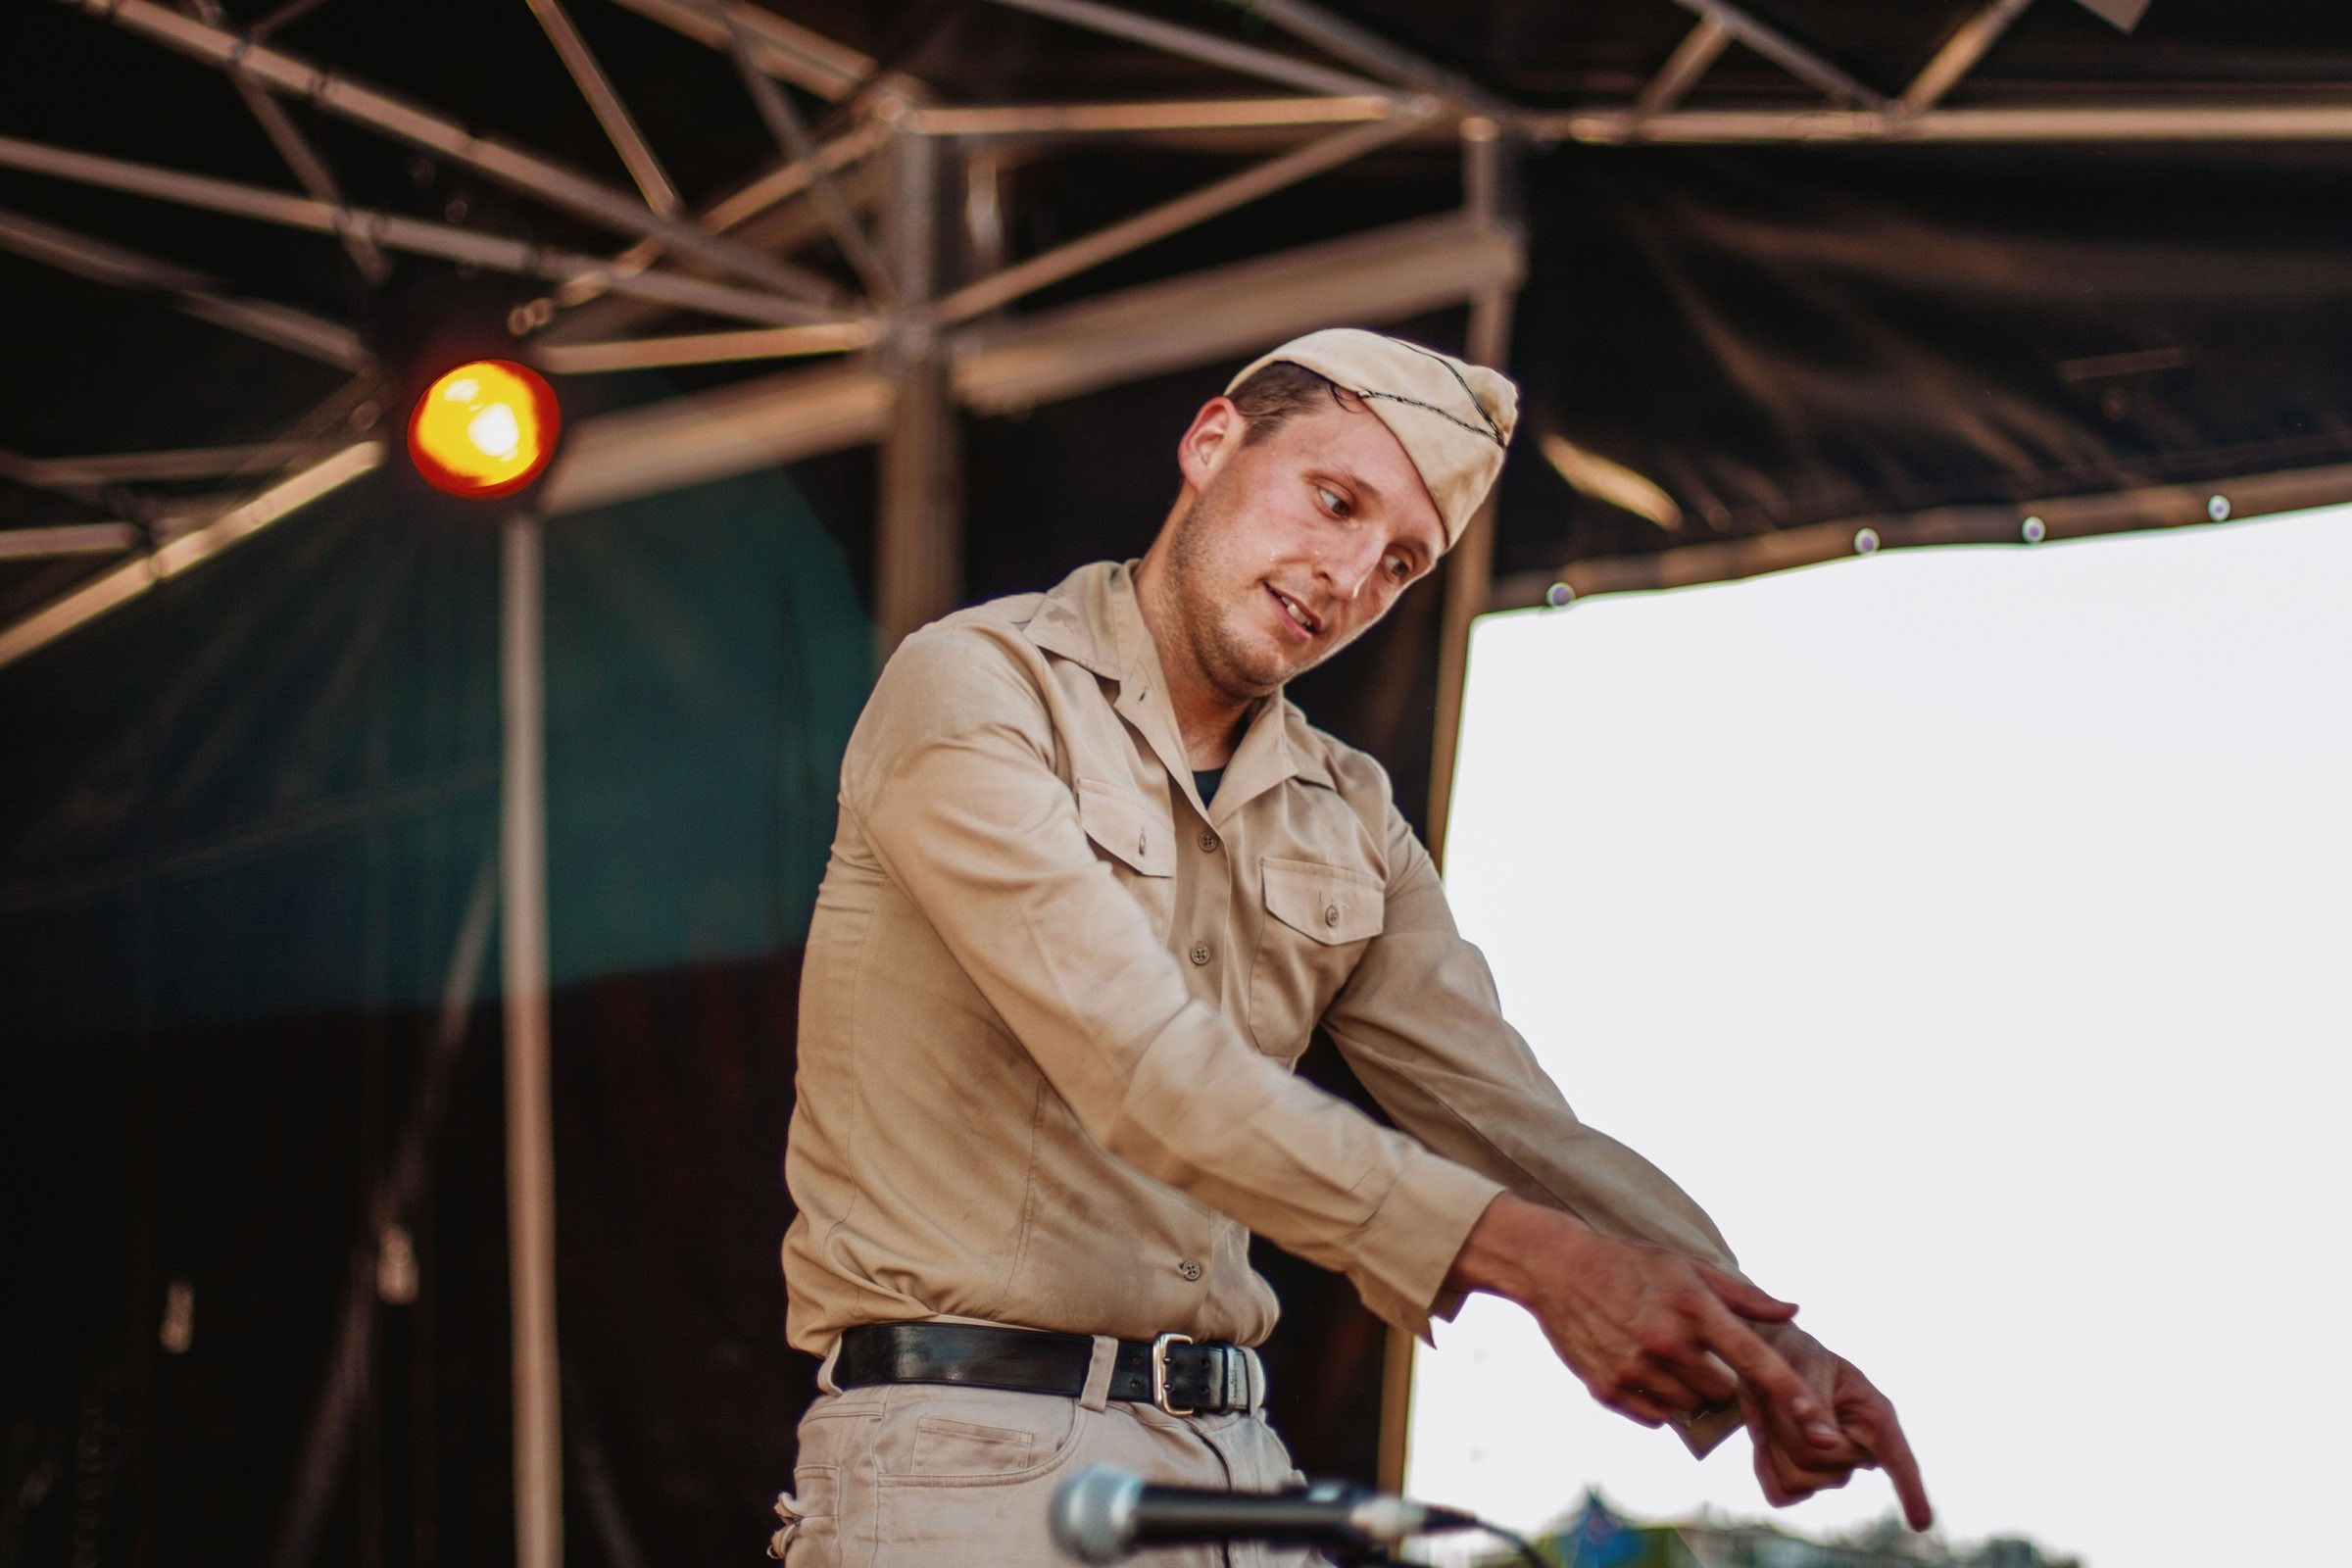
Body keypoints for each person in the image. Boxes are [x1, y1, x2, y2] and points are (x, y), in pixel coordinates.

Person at [770, 328, 1930, 1566]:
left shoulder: (1351, 811)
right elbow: (1142, 1067)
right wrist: (1540, 1262)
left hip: (1239, 1465)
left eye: (1399, 564)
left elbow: (1510, 1117)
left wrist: (1756, 1346)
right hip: (970, 1460)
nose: (1347, 574)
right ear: (1213, 443)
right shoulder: (972, 686)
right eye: (1334, 501)